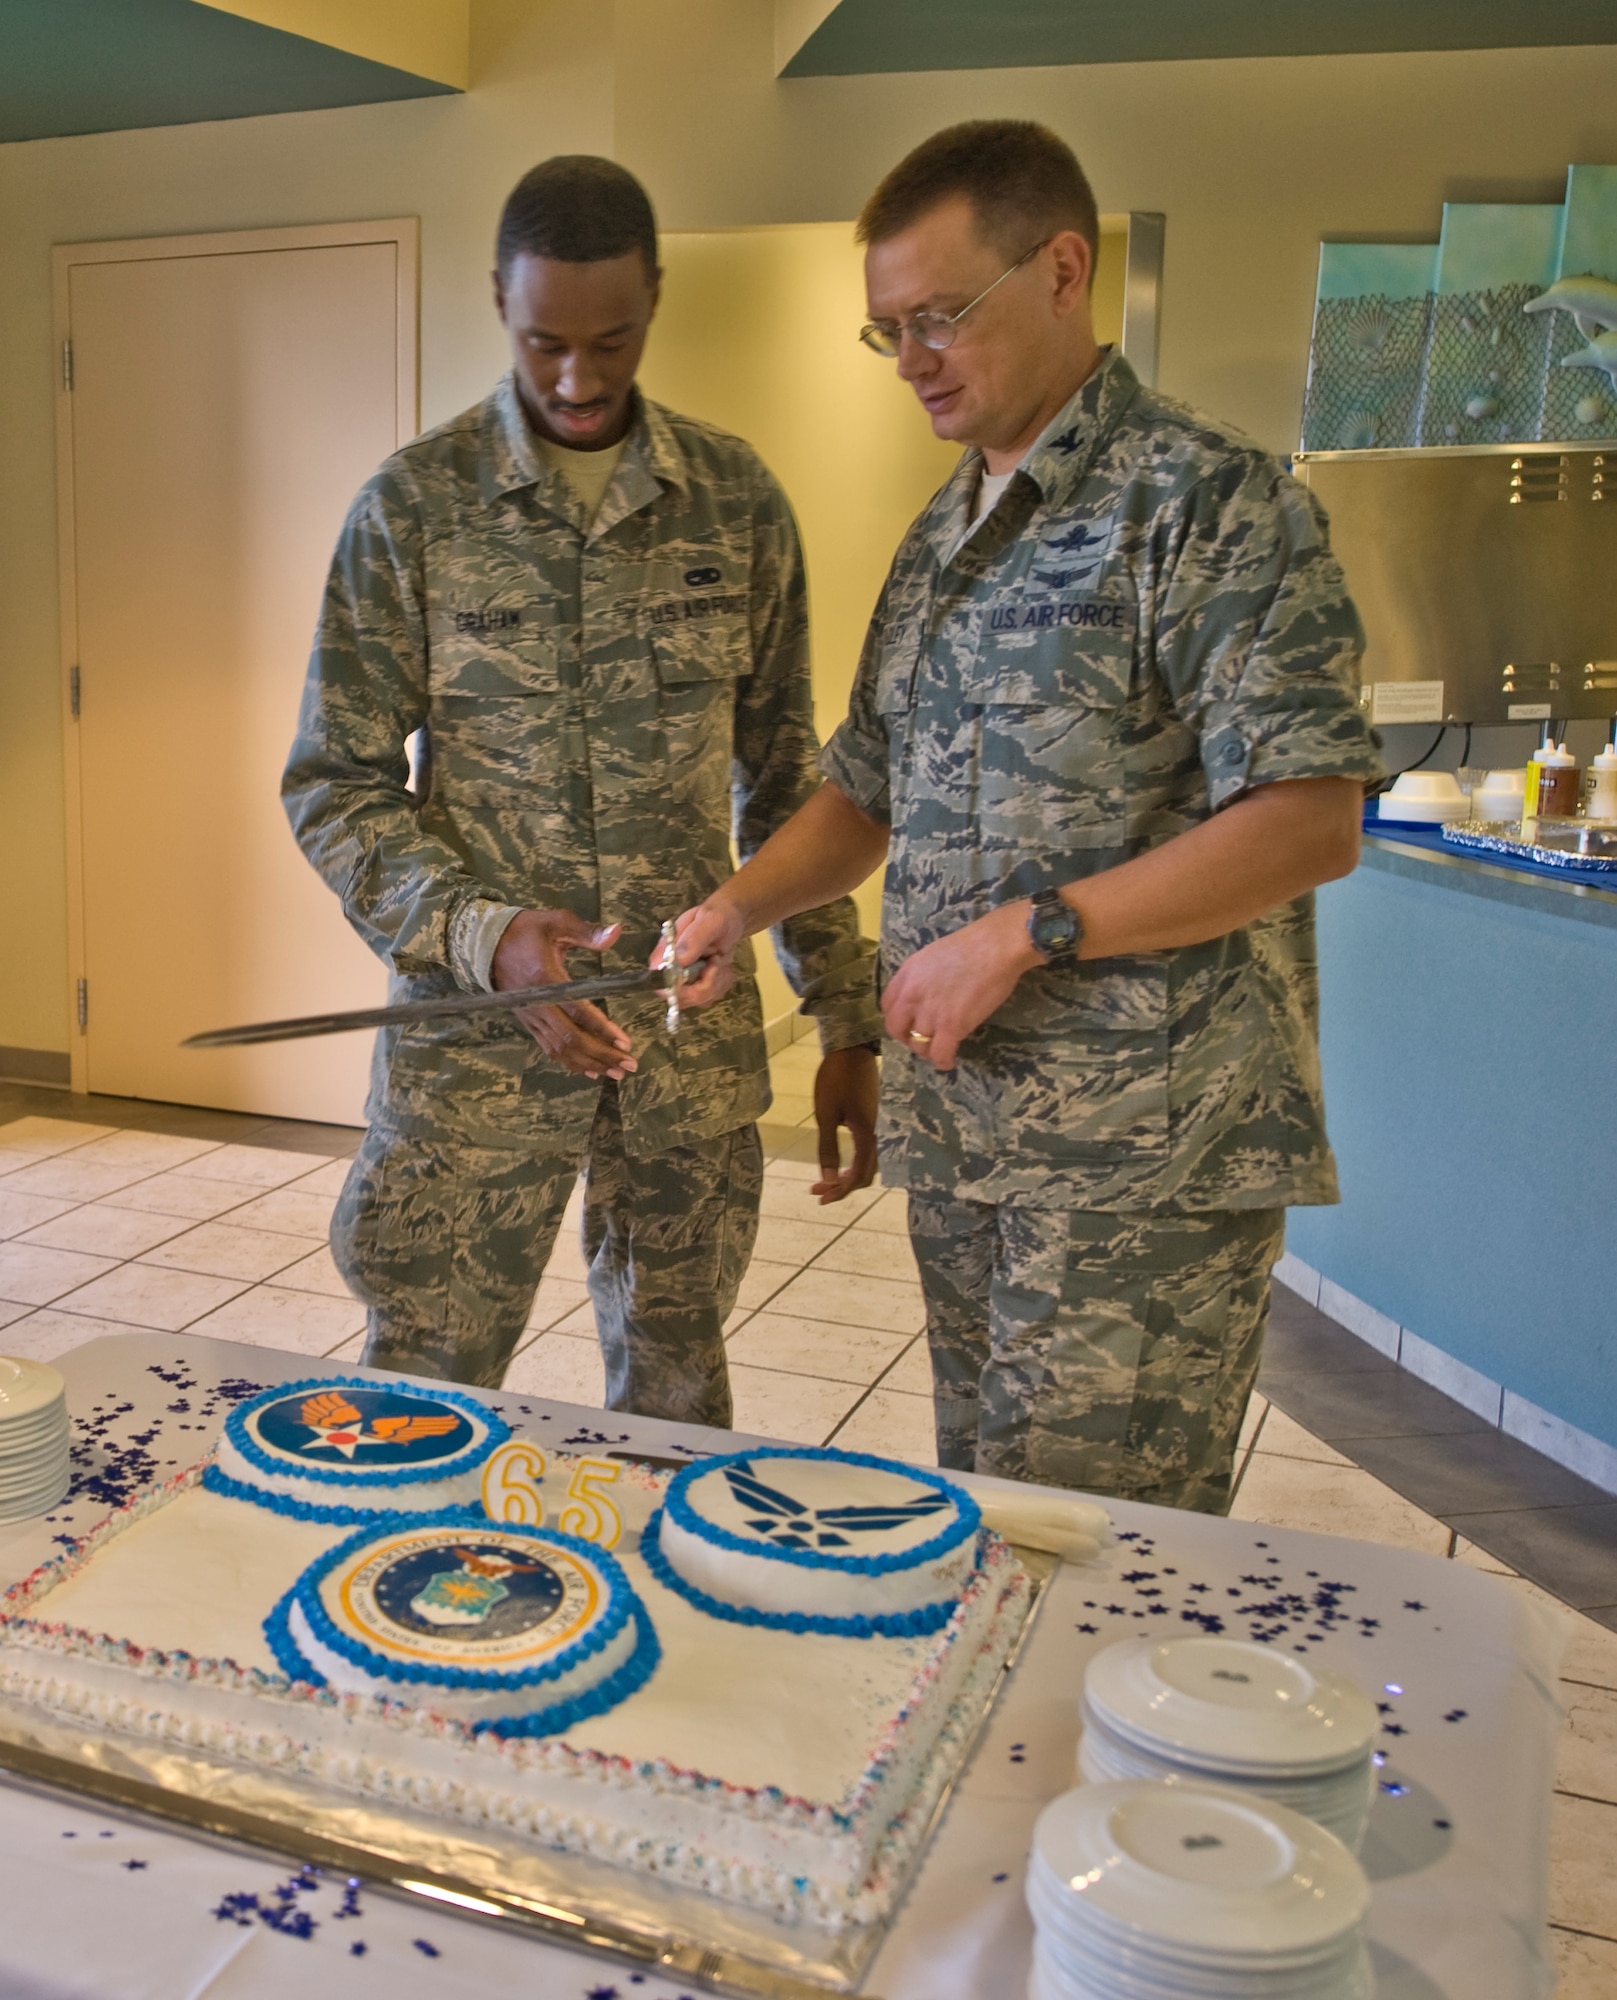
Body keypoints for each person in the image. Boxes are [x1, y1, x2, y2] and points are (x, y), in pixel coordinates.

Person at [673, 121, 1382, 1511]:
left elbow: (1310, 820)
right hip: (972, 1147)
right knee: (998, 1534)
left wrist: (1028, 933)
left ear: (1063, 271)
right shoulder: (942, 536)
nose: (915, 358)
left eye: (939, 315)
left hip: (1141, 1171)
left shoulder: (1208, 503)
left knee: (1106, 1567)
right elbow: (863, 794)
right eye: (888, 332)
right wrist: (738, 905)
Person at [283, 156, 882, 1424]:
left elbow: (790, 780)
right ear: (498, 300)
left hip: (684, 1059)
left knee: (674, 1414)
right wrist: (486, 936)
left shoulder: (735, 503)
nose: (576, 376)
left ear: (656, 298)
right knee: (419, 1406)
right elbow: (334, 784)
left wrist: (846, 1013)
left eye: (611, 339)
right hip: (474, 1067)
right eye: (544, 339)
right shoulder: (415, 510)